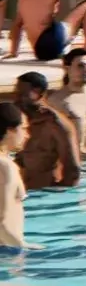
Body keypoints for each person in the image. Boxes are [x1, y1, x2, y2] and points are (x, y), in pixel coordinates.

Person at [12, 74, 79, 191]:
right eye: (16, 93)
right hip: (22, 192)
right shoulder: (21, 123)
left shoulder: (56, 125)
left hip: (45, 194)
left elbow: (72, 171)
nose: (16, 99)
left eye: (22, 94)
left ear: (39, 93)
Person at [0, 101, 24, 250]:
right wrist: (21, 250)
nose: (26, 134)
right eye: (24, 128)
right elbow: (1, 222)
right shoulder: (5, 166)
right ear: (10, 131)